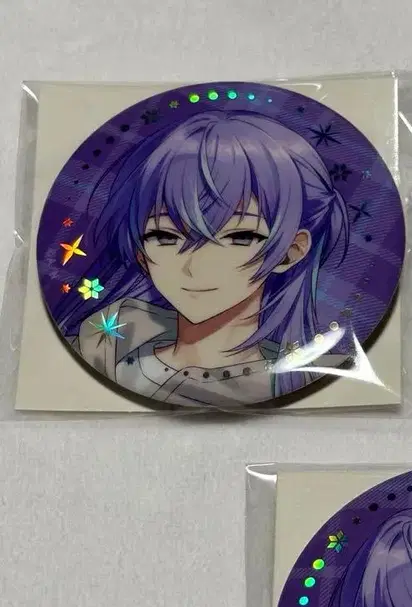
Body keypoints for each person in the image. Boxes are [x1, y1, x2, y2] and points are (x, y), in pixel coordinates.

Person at [60, 110, 349, 406]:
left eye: (240, 237)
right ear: (142, 254)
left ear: (291, 251)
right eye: (165, 237)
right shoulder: (102, 348)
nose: (195, 267)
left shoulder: (316, 376)